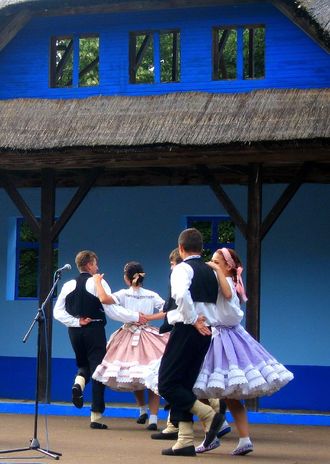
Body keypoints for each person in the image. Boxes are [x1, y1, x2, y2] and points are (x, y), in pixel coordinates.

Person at [193, 247, 294, 455]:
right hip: (221, 336)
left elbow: (227, 293)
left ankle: (222, 432)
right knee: (211, 390)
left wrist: (217, 272)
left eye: (217, 262)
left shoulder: (229, 281)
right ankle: (232, 435)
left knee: (202, 386)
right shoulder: (223, 280)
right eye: (211, 261)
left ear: (228, 267)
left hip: (225, 338)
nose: (212, 264)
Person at [53, 250, 147, 430]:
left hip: (74, 331)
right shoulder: (98, 282)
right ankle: (95, 415)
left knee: (83, 365)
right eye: (95, 264)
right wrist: (135, 316)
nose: (98, 267)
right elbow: (112, 310)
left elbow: (57, 311)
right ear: (89, 265)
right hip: (94, 329)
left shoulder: (68, 284)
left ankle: (78, 384)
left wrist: (75, 321)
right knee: (98, 369)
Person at [157, 228, 226, 457]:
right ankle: (185, 441)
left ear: (181, 249)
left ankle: (209, 415)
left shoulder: (182, 268)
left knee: (167, 384)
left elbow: (180, 295)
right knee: (183, 385)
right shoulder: (211, 272)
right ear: (201, 248)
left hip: (188, 329)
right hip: (207, 332)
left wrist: (193, 319)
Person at [92, 261, 168, 431]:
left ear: (127, 278)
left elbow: (104, 299)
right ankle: (153, 418)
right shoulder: (151, 295)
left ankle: (142, 410)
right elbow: (168, 310)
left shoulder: (124, 294)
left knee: (135, 373)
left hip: (128, 336)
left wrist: (97, 281)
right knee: (150, 373)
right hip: (149, 336)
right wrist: (150, 317)